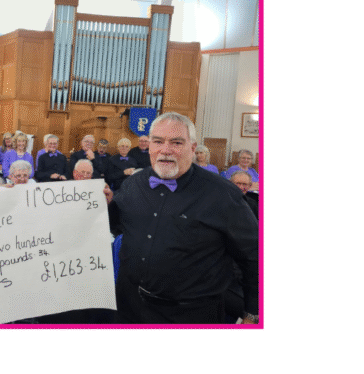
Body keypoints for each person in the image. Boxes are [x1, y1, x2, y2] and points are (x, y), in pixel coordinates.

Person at [108, 112, 259, 324]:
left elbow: (254, 254)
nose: (165, 150)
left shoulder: (222, 194)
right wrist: (102, 205)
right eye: (158, 141)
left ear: (192, 148)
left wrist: (252, 313)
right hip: (129, 307)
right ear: (149, 145)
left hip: (191, 315)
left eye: (176, 142)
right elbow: (115, 224)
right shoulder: (134, 184)